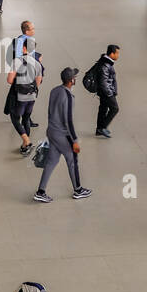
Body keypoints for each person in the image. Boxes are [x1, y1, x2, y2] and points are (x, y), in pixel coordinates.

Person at [33, 68, 92, 203]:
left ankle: (40, 192)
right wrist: (74, 140)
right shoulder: (68, 97)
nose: (75, 79)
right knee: (72, 161)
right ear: (71, 80)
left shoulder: (54, 90)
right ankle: (78, 190)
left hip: (52, 131)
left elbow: (50, 111)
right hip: (62, 135)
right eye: (74, 77)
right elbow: (68, 121)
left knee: (51, 162)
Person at [6, 40, 43, 154]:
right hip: (31, 96)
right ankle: (25, 145)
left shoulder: (17, 61)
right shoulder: (37, 63)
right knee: (26, 118)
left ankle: (26, 141)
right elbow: (38, 81)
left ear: (24, 49)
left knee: (15, 118)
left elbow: (9, 80)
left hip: (19, 97)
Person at [92, 45, 121, 138]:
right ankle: (102, 127)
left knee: (103, 109)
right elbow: (103, 82)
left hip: (104, 91)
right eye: (117, 53)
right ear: (112, 54)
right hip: (106, 92)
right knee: (115, 108)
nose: (118, 56)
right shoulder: (105, 65)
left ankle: (99, 129)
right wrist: (110, 93)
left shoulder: (106, 63)